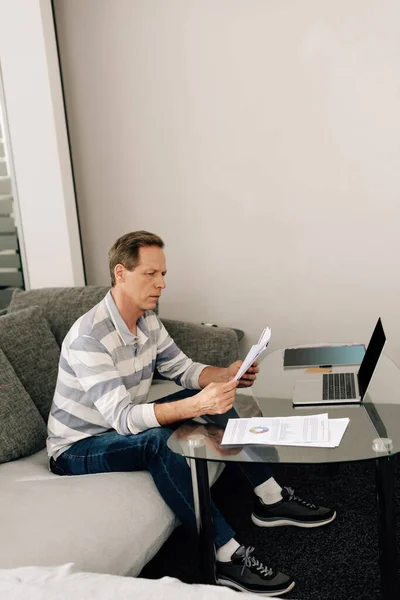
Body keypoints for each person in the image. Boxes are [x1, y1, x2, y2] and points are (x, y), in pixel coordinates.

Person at [47, 231, 335, 597]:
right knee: (157, 442)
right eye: (151, 274)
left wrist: (225, 376)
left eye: (163, 274)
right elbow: (123, 419)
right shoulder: (89, 337)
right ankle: (226, 556)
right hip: (78, 445)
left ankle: (272, 498)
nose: (161, 284)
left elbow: (183, 369)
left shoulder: (147, 319)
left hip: (118, 425)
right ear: (121, 273)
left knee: (215, 394)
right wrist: (198, 405)